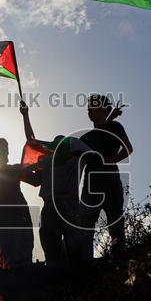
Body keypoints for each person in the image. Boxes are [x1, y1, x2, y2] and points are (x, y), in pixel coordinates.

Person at [20, 102, 90, 265]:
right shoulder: (47, 163)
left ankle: (77, 274)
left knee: (74, 249)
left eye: (61, 143)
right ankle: (56, 274)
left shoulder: (75, 158)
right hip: (50, 206)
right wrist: (25, 116)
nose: (58, 146)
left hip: (68, 204)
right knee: (51, 249)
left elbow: (89, 153)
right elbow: (32, 142)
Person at [79, 94, 133, 252]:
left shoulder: (115, 127)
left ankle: (119, 258)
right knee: (84, 227)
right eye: (88, 108)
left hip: (111, 182)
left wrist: (113, 159)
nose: (89, 110)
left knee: (116, 226)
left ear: (103, 109)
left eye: (93, 107)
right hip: (91, 185)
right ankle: (84, 262)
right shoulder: (85, 138)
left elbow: (128, 148)